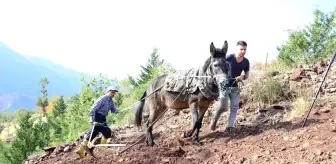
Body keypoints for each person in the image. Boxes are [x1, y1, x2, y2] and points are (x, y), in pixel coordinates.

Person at [210, 40, 250, 133]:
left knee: (235, 107)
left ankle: (229, 127)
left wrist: (242, 77)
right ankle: (214, 119)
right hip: (224, 85)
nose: (243, 51)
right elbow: (217, 66)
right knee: (223, 107)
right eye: (241, 49)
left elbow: (247, 75)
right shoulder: (228, 57)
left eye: (245, 49)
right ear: (236, 49)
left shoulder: (246, 62)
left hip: (235, 87)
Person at [75, 86, 119, 158]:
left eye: (114, 93)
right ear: (108, 92)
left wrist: (117, 111)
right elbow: (93, 108)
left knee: (99, 133)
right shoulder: (102, 99)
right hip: (97, 117)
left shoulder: (110, 101)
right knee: (103, 132)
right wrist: (92, 119)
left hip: (103, 118)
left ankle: (82, 150)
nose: (113, 94)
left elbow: (113, 109)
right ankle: (100, 148)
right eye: (112, 92)